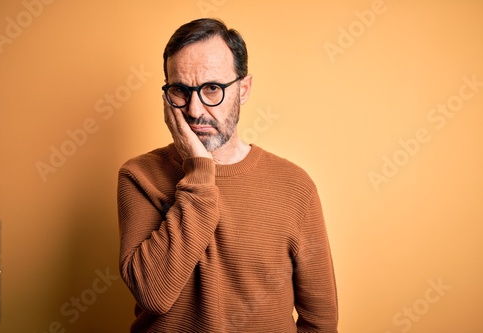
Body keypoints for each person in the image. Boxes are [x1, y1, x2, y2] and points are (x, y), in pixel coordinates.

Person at [117, 18, 338, 333]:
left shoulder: (295, 187)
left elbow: (321, 322)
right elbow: (154, 294)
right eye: (180, 90)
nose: (195, 110)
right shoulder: (139, 176)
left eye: (212, 88)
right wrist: (199, 167)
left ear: (243, 89)